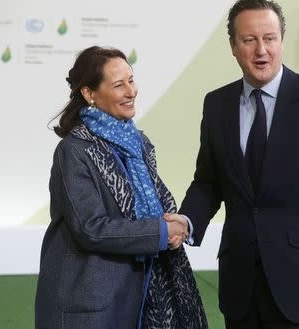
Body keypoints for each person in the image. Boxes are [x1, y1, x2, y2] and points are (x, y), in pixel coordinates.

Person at [166, 0, 299, 329]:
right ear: (233, 46)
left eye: (270, 39)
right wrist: (187, 220)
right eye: (249, 40)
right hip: (241, 285)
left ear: (281, 42)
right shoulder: (217, 105)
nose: (262, 49)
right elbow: (208, 181)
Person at [35, 46, 208, 329]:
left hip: (149, 293)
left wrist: (175, 226)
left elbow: (159, 203)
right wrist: (161, 232)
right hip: (96, 304)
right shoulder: (74, 150)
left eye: (131, 80)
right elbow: (91, 228)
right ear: (89, 94)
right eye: (118, 85)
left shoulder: (139, 143)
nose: (131, 91)